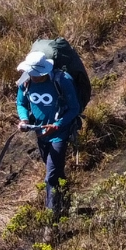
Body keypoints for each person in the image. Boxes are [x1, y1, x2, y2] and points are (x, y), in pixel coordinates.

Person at [14, 40, 87, 217]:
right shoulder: (26, 81)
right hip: (41, 134)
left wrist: (57, 125)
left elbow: (74, 108)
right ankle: (64, 201)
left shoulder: (62, 80)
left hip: (59, 135)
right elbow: (21, 103)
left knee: (51, 177)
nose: (32, 76)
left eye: (34, 73)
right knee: (55, 171)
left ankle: (51, 219)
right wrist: (24, 120)